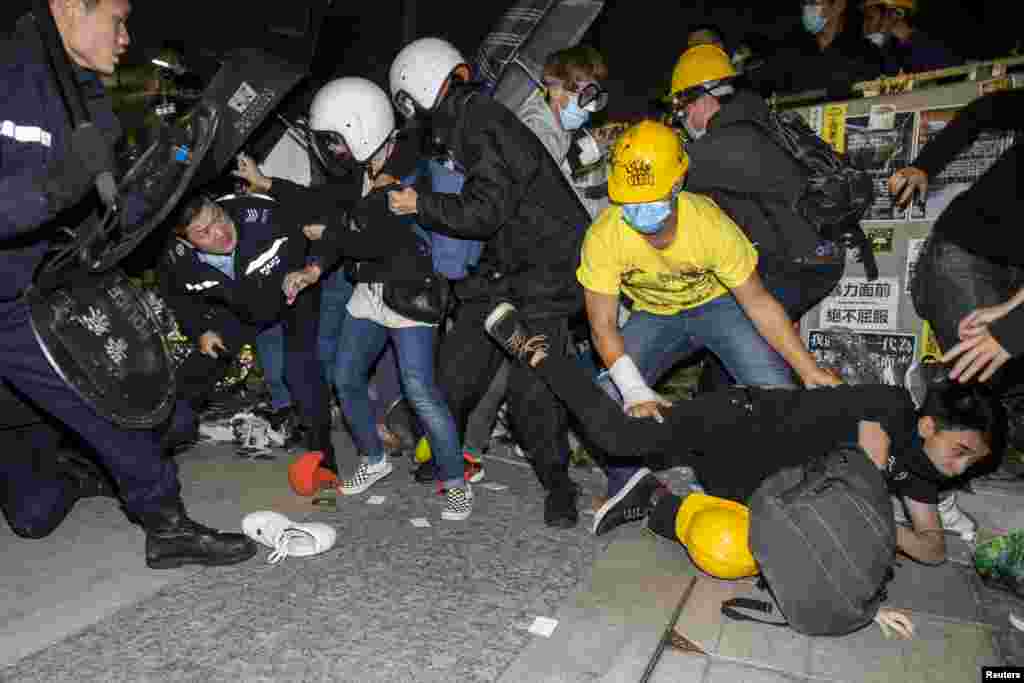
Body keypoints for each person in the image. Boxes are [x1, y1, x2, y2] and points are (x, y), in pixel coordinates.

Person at [0, 0, 257, 568]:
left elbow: (107, 212)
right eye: (117, 19)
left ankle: (144, 506)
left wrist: (176, 166)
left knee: (42, 502)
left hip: (21, 292)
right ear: (68, 7)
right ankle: (125, 490)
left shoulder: (84, 94)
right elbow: (43, 193)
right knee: (48, 489)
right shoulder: (9, 70)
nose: (126, 36)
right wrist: (60, 184)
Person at [483, 303, 1001, 567]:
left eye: (968, 465)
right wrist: (887, 528)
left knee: (757, 548)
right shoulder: (889, 412)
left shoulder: (923, 473)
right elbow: (860, 489)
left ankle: (650, 497)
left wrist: (892, 530)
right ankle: (538, 347)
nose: (956, 468)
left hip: (752, 480)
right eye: (960, 451)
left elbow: (933, 549)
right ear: (930, 425)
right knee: (617, 435)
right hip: (736, 421)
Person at [577, 119, 840, 504]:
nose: (637, 210)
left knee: (778, 392)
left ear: (677, 184)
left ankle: (782, 489)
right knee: (606, 396)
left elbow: (758, 302)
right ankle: (630, 484)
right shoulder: (604, 236)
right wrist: (634, 391)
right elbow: (601, 327)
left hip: (718, 306)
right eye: (628, 201)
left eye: (648, 198)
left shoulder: (710, 224)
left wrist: (808, 368)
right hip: (655, 314)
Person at [386, 37, 592, 527]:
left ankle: (558, 484)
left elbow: (485, 209)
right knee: (456, 370)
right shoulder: (465, 121)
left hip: (545, 270)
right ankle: (446, 455)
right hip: (502, 270)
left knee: (531, 393)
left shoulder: (480, 121)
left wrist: (420, 206)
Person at [290, 77, 472, 520]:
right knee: (346, 375)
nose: (333, 150)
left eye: (336, 139)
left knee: (420, 391)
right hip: (369, 291)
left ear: (361, 127)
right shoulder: (361, 170)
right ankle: (374, 459)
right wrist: (314, 267)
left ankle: (455, 482)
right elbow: (347, 227)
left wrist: (330, 234)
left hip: (410, 295)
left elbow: (371, 236)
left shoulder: (411, 166)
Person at [159, 190, 340, 487]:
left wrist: (312, 269)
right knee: (197, 370)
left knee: (300, 371)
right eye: (203, 232)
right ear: (185, 240)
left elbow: (328, 223)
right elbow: (177, 297)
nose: (220, 232)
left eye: (218, 217)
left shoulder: (259, 212)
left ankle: (323, 459)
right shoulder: (176, 258)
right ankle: (152, 448)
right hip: (241, 308)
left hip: (294, 292)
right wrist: (199, 330)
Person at [750, 0, 884, 97]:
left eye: (814, 3)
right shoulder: (788, 50)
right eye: (804, 3)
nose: (807, 9)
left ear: (838, 5)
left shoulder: (863, 53)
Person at [862, 0, 959, 75]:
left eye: (870, 18)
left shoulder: (932, 51)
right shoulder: (887, 52)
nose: (865, 26)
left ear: (896, 14)